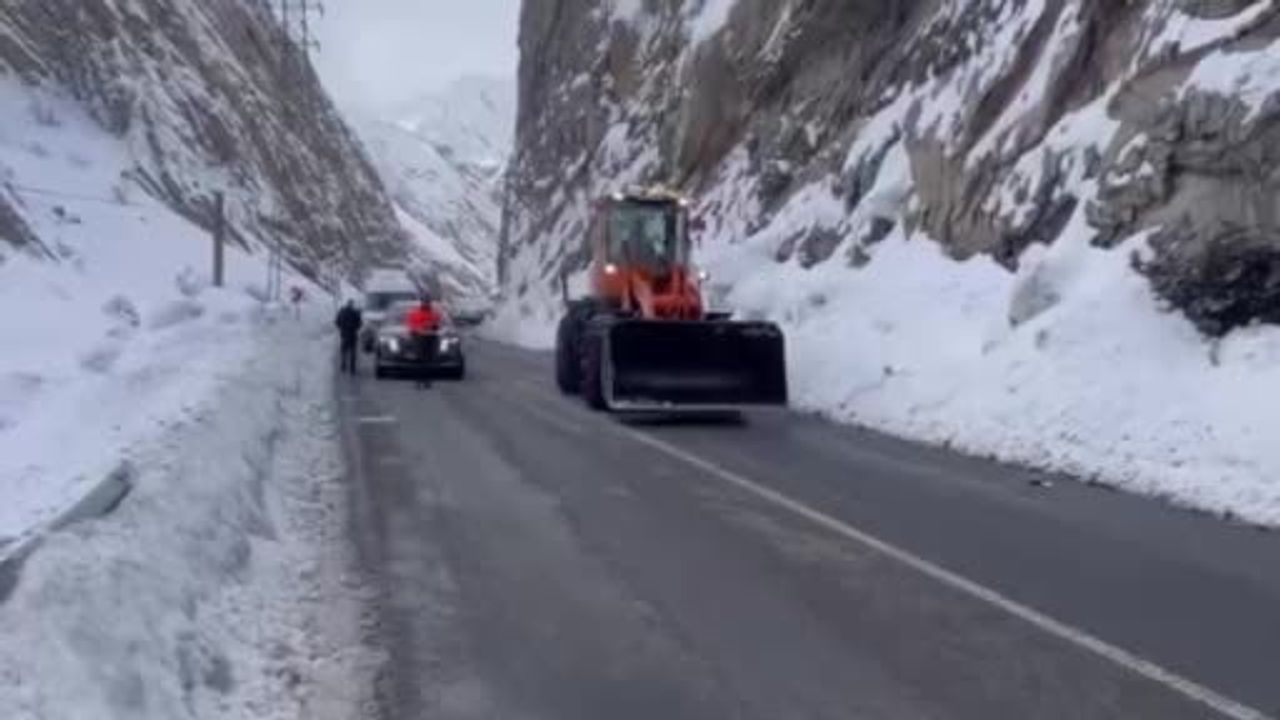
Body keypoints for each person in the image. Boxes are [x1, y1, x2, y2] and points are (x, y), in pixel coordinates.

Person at [404, 294, 442, 388]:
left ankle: (427, 380)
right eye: (424, 301)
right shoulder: (414, 313)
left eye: (427, 301)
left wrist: (433, 327)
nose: (426, 303)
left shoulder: (435, 313)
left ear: (430, 302)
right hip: (419, 338)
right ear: (421, 302)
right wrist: (419, 329)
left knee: (429, 360)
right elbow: (411, 326)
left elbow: (438, 325)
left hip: (431, 338)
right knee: (419, 360)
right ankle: (418, 380)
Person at [334, 299, 363, 376]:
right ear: (352, 304)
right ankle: (352, 367)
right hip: (353, 334)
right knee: (353, 351)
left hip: (344, 334)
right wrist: (355, 328)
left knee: (344, 350)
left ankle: (343, 363)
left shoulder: (342, 312)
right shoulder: (355, 313)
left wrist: (341, 328)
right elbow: (360, 323)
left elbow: (337, 322)